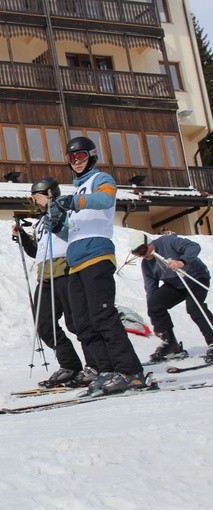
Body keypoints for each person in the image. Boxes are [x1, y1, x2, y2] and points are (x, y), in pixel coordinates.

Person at [44, 136, 145, 395]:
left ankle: (130, 371)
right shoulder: (77, 189)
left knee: (103, 316)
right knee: (83, 322)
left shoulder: (100, 180)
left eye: (81, 156)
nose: (76, 162)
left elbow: (105, 200)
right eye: (71, 158)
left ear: (92, 156)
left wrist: (72, 202)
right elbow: (73, 232)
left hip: (97, 256)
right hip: (76, 262)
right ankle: (106, 370)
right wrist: (58, 225)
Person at [13, 178, 97, 388]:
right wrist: (23, 236)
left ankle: (95, 365)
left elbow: (72, 234)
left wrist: (53, 207)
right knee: (44, 324)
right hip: (45, 275)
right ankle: (70, 365)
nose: (35, 202)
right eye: (33, 198)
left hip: (66, 270)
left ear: (50, 193)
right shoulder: (41, 221)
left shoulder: (66, 211)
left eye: (38, 197)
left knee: (76, 322)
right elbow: (37, 251)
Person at [129, 231, 213, 363]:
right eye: (137, 254)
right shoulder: (147, 265)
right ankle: (170, 343)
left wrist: (181, 262)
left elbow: (194, 246)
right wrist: (156, 321)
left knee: (194, 307)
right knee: (154, 304)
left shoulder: (167, 241)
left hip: (196, 276)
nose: (143, 255)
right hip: (175, 285)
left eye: (143, 250)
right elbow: (151, 289)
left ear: (149, 242)